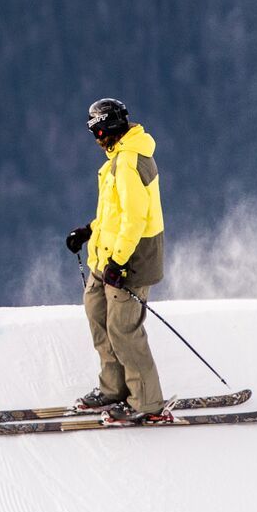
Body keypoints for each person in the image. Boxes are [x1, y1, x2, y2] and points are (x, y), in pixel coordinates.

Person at [63, 98, 170, 424]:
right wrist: (89, 230)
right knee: (97, 315)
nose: (96, 138)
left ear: (108, 126)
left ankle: (147, 403)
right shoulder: (118, 159)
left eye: (97, 130)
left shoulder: (129, 162)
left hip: (130, 261)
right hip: (106, 256)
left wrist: (120, 262)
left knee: (123, 330)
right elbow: (116, 213)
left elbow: (135, 219)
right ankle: (114, 389)